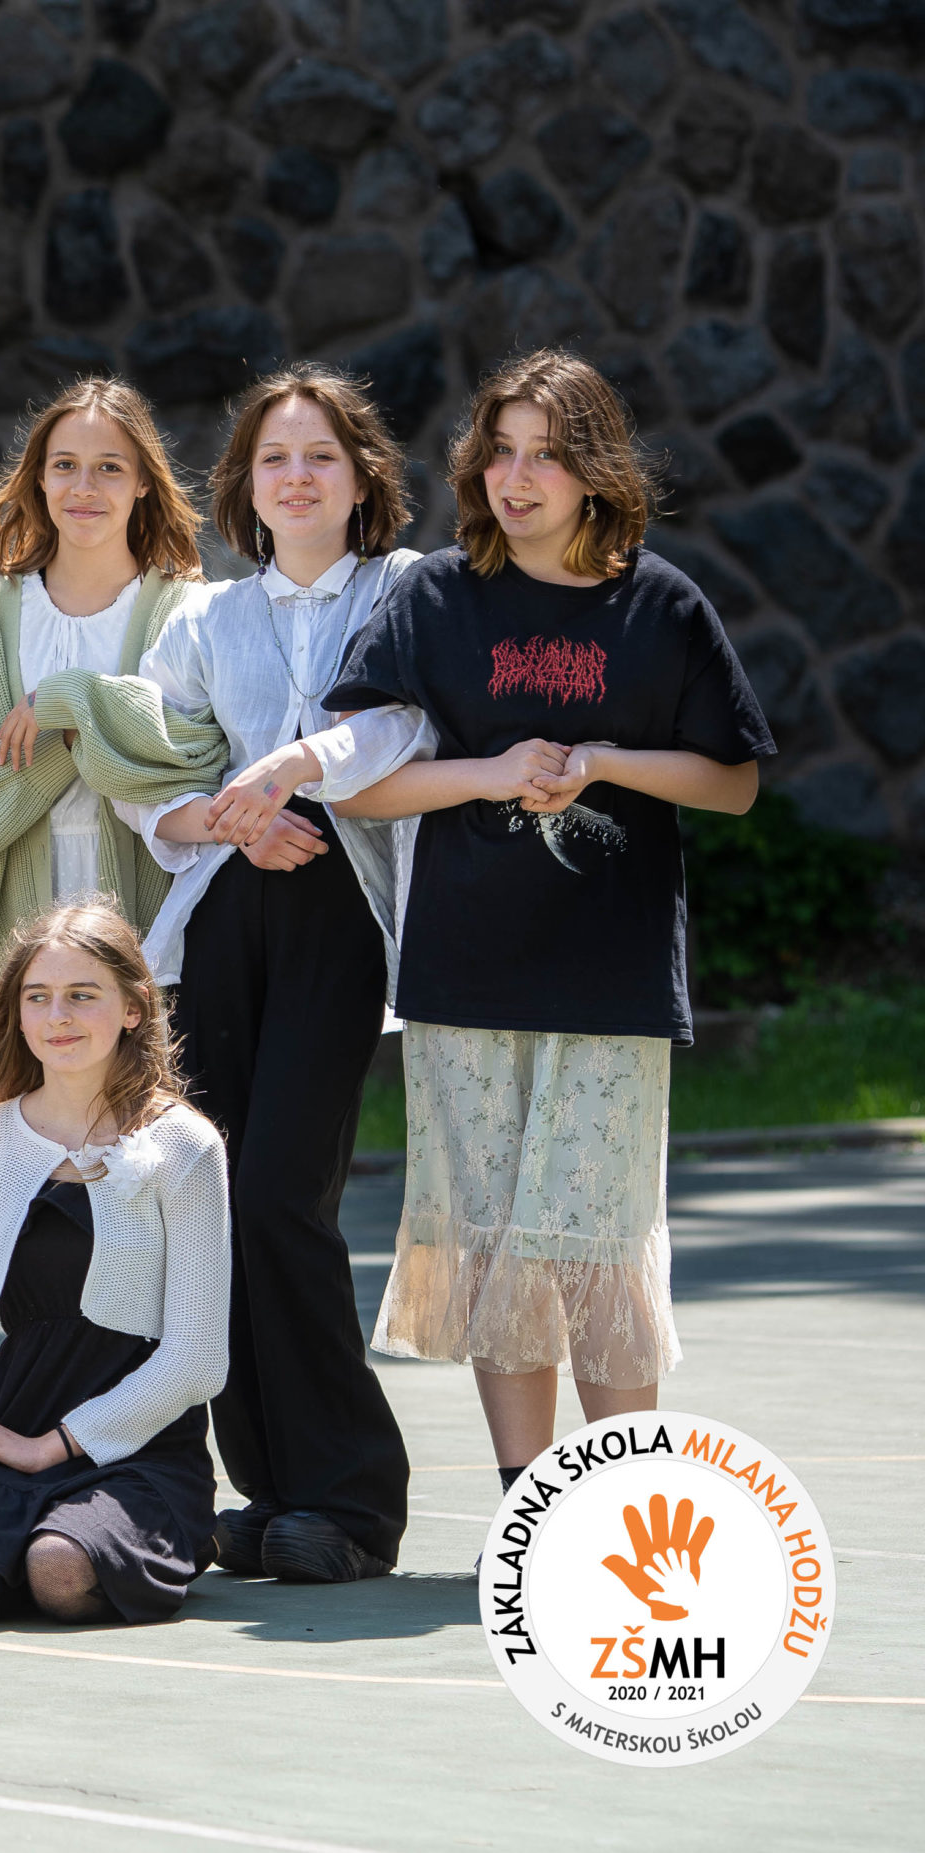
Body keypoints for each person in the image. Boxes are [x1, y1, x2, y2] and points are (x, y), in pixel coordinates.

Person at [323, 350, 771, 1498]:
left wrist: (604, 760)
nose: (517, 479)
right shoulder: (434, 597)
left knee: (595, 1250)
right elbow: (360, 785)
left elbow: (732, 780)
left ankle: (618, 1510)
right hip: (462, 975)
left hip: (609, 980)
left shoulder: (660, 604)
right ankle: (530, 1508)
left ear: (595, 471)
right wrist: (489, 771)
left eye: (547, 456)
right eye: (500, 453)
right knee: (493, 1254)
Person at [108, 365, 433, 1583]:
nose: (296, 477)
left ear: (361, 479)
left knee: (287, 1195)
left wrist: (291, 767)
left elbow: (407, 723)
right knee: (216, 1201)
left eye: (320, 457)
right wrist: (223, 817)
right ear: (243, 485)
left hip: (343, 911)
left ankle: (353, 1498)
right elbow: (143, 764)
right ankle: (269, 1488)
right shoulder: (203, 617)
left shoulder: (405, 589)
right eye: (273, 458)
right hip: (222, 915)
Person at [0, 901, 229, 1627]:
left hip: (138, 1447)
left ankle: (142, 1534)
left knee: (59, 1568)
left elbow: (197, 1358)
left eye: (82, 995)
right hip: (13, 1428)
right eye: (38, 997)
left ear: (133, 1008)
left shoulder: (185, 1146)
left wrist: (51, 1449)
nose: (58, 1016)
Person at [0, 377, 225, 1019]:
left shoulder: (189, 610)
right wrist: (70, 740)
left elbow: (201, 756)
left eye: (110, 468)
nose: (84, 487)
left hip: (150, 943)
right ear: (40, 479)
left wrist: (72, 700)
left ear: (143, 482)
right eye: (65, 465)